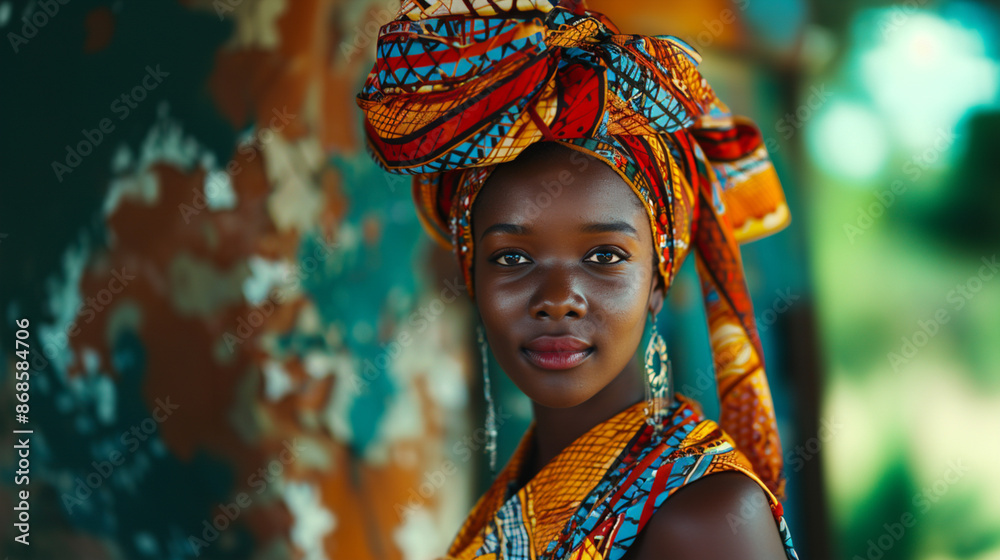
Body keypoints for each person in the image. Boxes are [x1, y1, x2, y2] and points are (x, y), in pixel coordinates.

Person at [356, 0, 799, 558]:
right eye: (512, 259)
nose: (559, 300)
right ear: (470, 276)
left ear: (658, 281)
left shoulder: (706, 518)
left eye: (605, 257)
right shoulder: (525, 488)